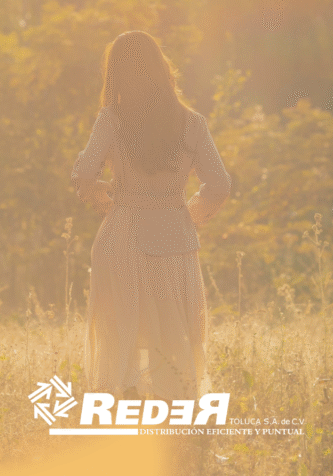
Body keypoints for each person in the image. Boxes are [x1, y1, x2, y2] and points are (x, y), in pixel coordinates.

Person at [71, 30, 231, 401]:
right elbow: (219, 185)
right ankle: (173, 409)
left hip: (124, 234)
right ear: (163, 70)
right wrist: (188, 213)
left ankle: (127, 405)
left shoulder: (111, 118)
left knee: (124, 329)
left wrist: (104, 198)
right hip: (176, 235)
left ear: (117, 75)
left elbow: (84, 174)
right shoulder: (193, 123)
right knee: (174, 333)